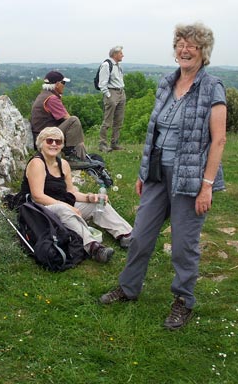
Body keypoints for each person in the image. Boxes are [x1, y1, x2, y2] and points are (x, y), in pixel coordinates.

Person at [100, 23, 227, 331]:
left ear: (203, 52)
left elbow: (219, 139)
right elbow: (153, 132)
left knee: (184, 245)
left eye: (192, 46)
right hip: (157, 173)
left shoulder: (212, 87)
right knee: (140, 235)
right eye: (180, 44)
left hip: (191, 178)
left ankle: (183, 301)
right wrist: (144, 172)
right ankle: (129, 288)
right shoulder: (165, 84)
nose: (185, 50)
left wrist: (207, 186)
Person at [20, 127, 133, 258]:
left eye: (58, 141)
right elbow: (37, 196)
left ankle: (126, 235)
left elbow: (70, 192)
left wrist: (90, 197)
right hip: (40, 210)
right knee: (64, 210)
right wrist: (67, 206)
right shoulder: (37, 163)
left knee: (98, 204)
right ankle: (93, 247)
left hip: (62, 204)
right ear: (41, 143)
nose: (54, 144)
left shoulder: (63, 164)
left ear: (62, 145)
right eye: (49, 141)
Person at [30, 71, 91, 168]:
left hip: (41, 135)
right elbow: (68, 118)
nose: (64, 86)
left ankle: (78, 156)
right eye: (63, 83)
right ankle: (71, 157)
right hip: (44, 137)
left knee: (74, 129)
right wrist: (79, 141)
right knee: (74, 121)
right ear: (57, 84)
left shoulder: (44, 94)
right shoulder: (52, 99)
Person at [98, 46, 126, 153]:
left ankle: (114, 143)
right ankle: (102, 144)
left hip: (120, 92)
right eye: (120, 53)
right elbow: (102, 83)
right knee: (107, 120)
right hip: (112, 92)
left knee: (119, 120)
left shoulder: (118, 66)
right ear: (115, 54)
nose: (122, 55)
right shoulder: (106, 65)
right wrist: (108, 95)